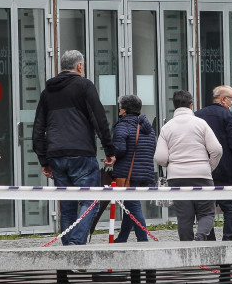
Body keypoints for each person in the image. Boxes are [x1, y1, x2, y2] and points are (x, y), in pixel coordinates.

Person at [33, 50, 116, 245]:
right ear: (79, 66)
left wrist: (43, 160)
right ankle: (76, 244)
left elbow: (38, 128)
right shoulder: (84, 86)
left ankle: (68, 252)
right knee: (91, 200)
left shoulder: (47, 93)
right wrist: (109, 150)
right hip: (81, 154)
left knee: (68, 205)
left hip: (56, 156)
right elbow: (99, 119)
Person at [155, 90, 222, 241]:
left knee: (184, 217)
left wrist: (170, 165)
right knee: (207, 213)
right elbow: (217, 150)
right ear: (191, 105)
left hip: (177, 177)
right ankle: (200, 236)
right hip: (201, 174)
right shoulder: (201, 124)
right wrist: (209, 167)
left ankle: (186, 249)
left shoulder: (167, 127)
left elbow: (160, 157)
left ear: (174, 105)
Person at [195, 85, 232, 240]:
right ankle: (230, 240)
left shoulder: (198, 115)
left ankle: (208, 239)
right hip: (226, 169)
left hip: (204, 169)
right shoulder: (228, 116)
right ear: (224, 99)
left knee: (206, 209)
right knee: (230, 206)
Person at [108, 94, 157, 243]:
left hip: (128, 174)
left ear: (123, 110)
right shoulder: (148, 127)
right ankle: (122, 238)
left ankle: (144, 242)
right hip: (145, 173)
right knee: (130, 207)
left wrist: (111, 155)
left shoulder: (123, 125)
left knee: (133, 207)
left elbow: (120, 148)